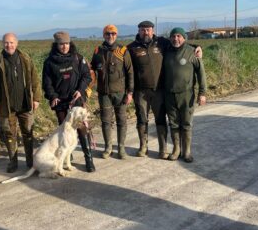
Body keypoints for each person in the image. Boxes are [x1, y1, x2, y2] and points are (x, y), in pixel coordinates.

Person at [128, 20, 203, 159]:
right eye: (143, 29)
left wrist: (197, 47)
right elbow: (125, 66)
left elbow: (180, 44)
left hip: (159, 90)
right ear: (138, 31)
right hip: (141, 91)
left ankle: (163, 149)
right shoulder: (131, 48)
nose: (146, 32)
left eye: (148, 29)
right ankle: (143, 147)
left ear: (153, 31)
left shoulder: (162, 43)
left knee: (161, 119)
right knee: (141, 119)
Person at [0, 33, 42, 173]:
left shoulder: (26, 60)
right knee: (9, 134)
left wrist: (36, 98)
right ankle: (13, 161)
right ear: (2, 44)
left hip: (25, 104)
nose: (9, 45)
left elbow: (35, 80)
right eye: (6, 43)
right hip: (6, 106)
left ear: (16, 43)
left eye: (11, 42)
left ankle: (30, 161)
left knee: (28, 132)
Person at [42, 31, 95, 172]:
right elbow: (47, 83)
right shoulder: (49, 62)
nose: (64, 47)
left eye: (66, 43)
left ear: (70, 43)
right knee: (64, 130)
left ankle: (88, 159)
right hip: (60, 103)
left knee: (82, 130)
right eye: (61, 44)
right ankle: (67, 157)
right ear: (56, 45)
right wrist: (53, 96)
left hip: (76, 100)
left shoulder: (78, 58)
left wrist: (81, 90)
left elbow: (87, 77)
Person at [163, 27, 207, 163]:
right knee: (173, 124)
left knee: (186, 124)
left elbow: (201, 74)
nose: (175, 39)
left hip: (186, 95)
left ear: (183, 38)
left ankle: (187, 151)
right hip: (169, 94)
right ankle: (176, 149)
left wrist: (202, 93)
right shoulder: (166, 51)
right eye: (173, 36)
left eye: (178, 36)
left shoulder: (192, 53)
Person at [90, 25, 134, 159]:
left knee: (121, 120)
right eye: (108, 34)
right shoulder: (98, 51)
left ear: (116, 35)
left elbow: (130, 72)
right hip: (104, 94)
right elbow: (92, 70)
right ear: (104, 35)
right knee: (105, 121)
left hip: (120, 93)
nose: (111, 36)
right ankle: (108, 147)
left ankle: (121, 148)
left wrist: (130, 92)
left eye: (113, 34)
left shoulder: (122, 50)